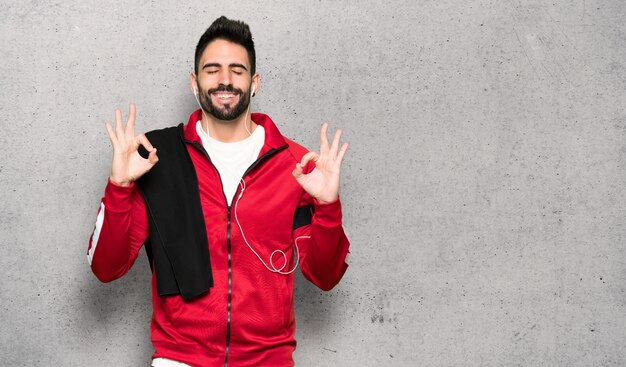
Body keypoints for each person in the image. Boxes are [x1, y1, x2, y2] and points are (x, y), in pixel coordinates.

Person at [86, 16, 350, 367]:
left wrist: (328, 206)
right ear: (194, 83)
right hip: (179, 359)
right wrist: (119, 186)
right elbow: (107, 267)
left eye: (237, 70)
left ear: (254, 83)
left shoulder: (298, 165)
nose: (225, 79)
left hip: (268, 361)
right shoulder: (155, 157)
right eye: (212, 70)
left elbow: (325, 276)